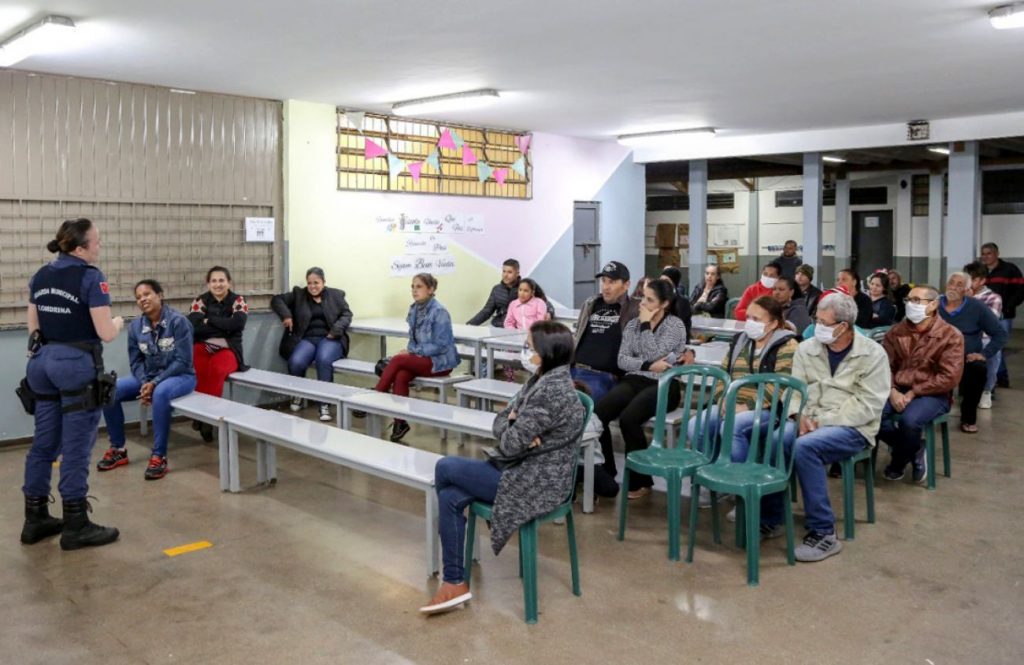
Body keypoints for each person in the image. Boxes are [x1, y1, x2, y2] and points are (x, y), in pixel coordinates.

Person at [420, 321, 585, 615]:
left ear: (545, 353)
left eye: (529, 348)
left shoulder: (551, 392)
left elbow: (508, 444)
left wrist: (513, 425)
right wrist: (513, 422)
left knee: (445, 468)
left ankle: (456, 579)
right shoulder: (540, 380)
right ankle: (454, 583)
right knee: (449, 496)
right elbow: (501, 423)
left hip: (536, 482)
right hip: (521, 466)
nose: (525, 352)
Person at [21, 218, 124, 550]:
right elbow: (106, 333)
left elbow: (33, 328)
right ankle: (76, 524)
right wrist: (120, 321)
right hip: (75, 366)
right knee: (76, 447)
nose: (100, 245)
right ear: (80, 248)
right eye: (97, 241)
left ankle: (35, 518)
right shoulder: (91, 278)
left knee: (44, 443)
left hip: (42, 364)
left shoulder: (41, 274)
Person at [766, 292, 890, 562]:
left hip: (853, 427)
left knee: (805, 448)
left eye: (824, 322)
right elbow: (794, 390)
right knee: (777, 439)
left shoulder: (872, 354)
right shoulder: (807, 348)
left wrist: (821, 423)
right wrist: (797, 416)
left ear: (843, 326)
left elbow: (867, 405)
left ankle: (824, 532)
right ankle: (772, 516)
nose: (817, 326)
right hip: (808, 419)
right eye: (816, 319)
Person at [684, 297, 799, 516]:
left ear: (773, 323)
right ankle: (714, 481)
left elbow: (780, 385)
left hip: (767, 408)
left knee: (733, 427)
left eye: (756, 319)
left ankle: (741, 490)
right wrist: (723, 398)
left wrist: (747, 405)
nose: (750, 323)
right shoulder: (740, 341)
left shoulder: (787, 345)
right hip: (731, 402)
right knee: (695, 426)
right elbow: (723, 375)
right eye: (748, 317)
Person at [594, 279, 687, 499]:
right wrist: (645, 365)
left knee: (629, 419)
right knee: (598, 415)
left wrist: (646, 326)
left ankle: (641, 480)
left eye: (650, 300)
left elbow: (655, 353)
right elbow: (623, 360)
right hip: (635, 379)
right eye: (643, 297)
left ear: (664, 304)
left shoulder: (674, 325)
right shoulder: (633, 324)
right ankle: (606, 472)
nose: (642, 303)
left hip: (665, 383)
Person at [99, 280, 197, 480]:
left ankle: (159, 456)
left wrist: (155, 383)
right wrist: (145, 382)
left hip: (180, 376)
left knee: (160, 393)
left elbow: (183, 361)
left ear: (160, 295)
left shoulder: (178, 322)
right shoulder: (136, 326)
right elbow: (135, 361)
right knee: (109, 390)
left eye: (147, 294)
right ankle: (118, 449)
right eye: (138, 297)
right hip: (149, 377)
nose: (142, 299)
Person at [879, 285, 964, 482]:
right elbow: (884, 366)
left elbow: (949, 377)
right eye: (909, 300)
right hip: (897, 388)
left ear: (933, 305)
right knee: (870, 415)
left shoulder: (950, 335)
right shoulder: (896, 332)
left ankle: (898, 462)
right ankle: (915, 449)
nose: (911, 304)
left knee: (910, 421)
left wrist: (914, 392)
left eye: (917, 300)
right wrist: (892, 390)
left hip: (933, 393)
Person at [375, 273, 459, 442]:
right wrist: (411, 350)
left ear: (431, 289)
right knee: (400, 375)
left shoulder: (439, 311)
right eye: (412, 287)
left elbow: (441, 346)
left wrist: (411, 350)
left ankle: (376, 396)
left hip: (440, 361)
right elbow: (414, 339)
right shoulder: (414, 309)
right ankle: (400, 422)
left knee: (398, 360)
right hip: (422, 358)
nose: (414, 290)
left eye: (419, 286)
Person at [271, 267, 353, 421]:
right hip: (308, 339)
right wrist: (286, 315)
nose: (313, 286)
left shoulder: (336, 295)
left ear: (323, 282)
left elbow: (347, 314)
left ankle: (325, 403)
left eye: (316, 283)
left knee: (323, 360)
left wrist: (335, 330)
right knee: (296, 362)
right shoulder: (299, 295)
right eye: (309, 283)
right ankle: (299, 394)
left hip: (330, 339)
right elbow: (277, 300)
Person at [938, 272, 1008, 433]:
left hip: (966, 357)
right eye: (951, 282)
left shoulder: (976, 307)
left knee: (978, 368)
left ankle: (968, 418)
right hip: (937, 356)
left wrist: (983, 354)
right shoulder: (935, 305)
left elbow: (1000, 333)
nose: (953, 287)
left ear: (967, 289)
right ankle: (932, 410)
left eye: (959, 284)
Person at [188, 266, 249, 441]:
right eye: (214, 281)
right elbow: (194, 326)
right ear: (208, 284)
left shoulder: (238, 300)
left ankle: (208, 417)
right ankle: (199, 414)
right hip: (202, 346)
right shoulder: (200, 301)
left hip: (229, 349)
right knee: (197, 369)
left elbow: (237, 325)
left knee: (216, 369)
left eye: (222, 280)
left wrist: (209, 320)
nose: (218, 284)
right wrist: (223, 325)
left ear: (229, 282)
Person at [571, 261, 639, 406]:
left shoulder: (635, 309)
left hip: (602, 376)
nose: (605, 287)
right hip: (573, 370)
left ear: (626, 285)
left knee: (573, 408)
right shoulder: (591, 303)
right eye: (603, 281)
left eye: (612, 282)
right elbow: (577, 335)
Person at [980, 243, 1023, 388]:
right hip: (983, 316)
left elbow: (1020, 291)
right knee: (986, 345)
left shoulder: (1010, 269)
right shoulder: (980, 271)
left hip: (1004, 316)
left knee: (997, 345)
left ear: (997, 254)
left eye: (989, 253)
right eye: (983, 254)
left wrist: (1007, 307)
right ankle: (994, 378)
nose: (985, 256)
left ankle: (1001, 378)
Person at [964, 261, 1003, 409]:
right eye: (967, 279)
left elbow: (987, 323)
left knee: (992, 349)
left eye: (973, 279)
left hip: (983, 337)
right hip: (962, 336)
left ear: (982, 280)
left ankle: (986, 391)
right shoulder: (958, 295)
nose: (969, 283)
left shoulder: (994, 298)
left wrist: (969, 301)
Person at [467, 258, 521, 327]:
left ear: (517, 273)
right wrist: (470, 324)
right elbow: (487, 311)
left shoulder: (526, 288)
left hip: (517, 328)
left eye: (509, 272)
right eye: (504, 271)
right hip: (497, 324)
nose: (505, 275)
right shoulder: (497, 289)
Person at [660, 266, 693, 342]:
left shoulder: (682, 302)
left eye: (666, 281)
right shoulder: (657, 298)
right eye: (661, 280)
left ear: (673, 283)